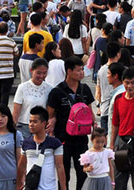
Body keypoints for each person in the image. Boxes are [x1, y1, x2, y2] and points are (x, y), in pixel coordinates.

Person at [47, 55, 95, 190]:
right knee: (64, 174)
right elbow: (50, 115)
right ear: (69, 71)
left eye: (82, 70)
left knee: (83, 173)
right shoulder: (56, 92)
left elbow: (90, 111)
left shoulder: (85, 89)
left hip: (81, 139)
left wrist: (94, 126)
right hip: (63, 139)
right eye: (78, 70)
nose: (82, 73)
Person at [18, 106, 67, 190]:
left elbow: (60, 167)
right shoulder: (26, 143)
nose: (31, 124)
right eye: (30, 121)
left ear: (44, 123)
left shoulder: (55, 143)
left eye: (35, 122)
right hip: (31, 187)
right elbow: (21, 166)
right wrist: (19, 184)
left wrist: (63, 188)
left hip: (49, 188)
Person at [13, 58, 53, 139]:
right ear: (31, 70)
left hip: (41, 128)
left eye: (44, 73)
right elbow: (16, 112)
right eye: (38, 73)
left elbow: (51, 111)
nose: (41, 76)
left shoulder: (49, 88)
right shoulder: (22, 87)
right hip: (24, 127)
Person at [0, 21, 20, 107]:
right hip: (8, 72)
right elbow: (16, 53)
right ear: (7, 30)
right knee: (5, 93)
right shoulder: (11, 41)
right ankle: (3, 110)